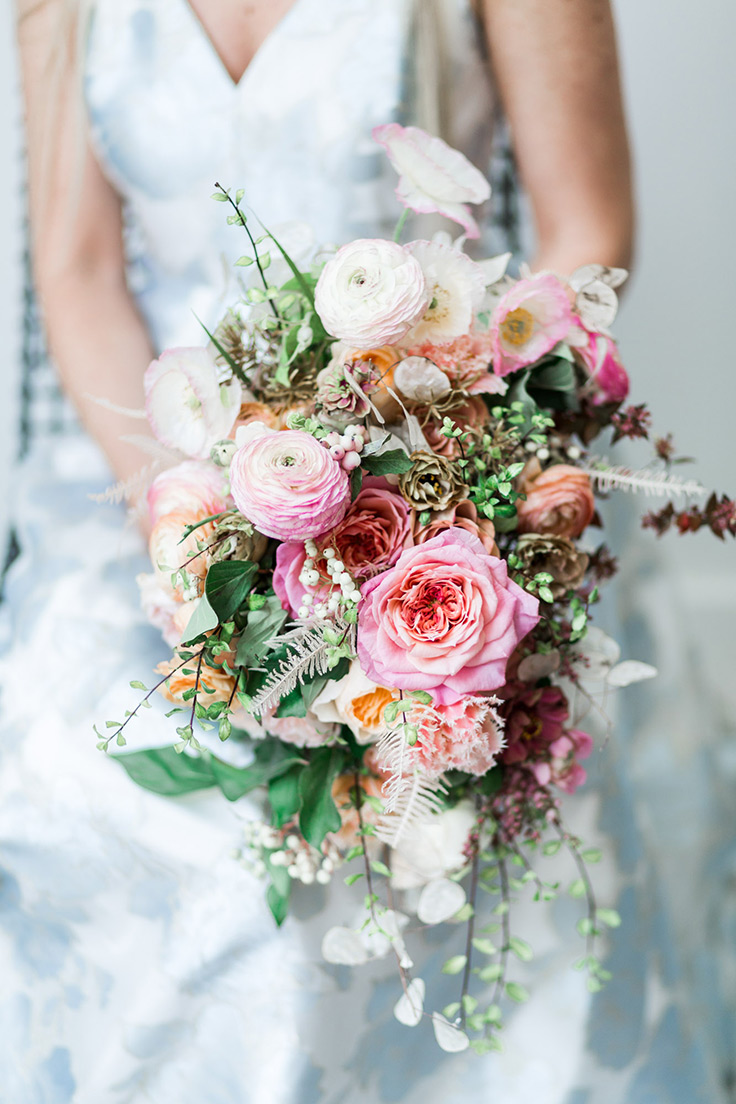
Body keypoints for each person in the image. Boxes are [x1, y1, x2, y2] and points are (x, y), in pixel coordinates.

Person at [0, 1, 725, 1101]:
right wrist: (188, 521)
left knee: (420, 808)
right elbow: (81, 268)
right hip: (158, 477)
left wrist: (434, 481)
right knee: (85, 784)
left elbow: (587, 236)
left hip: (430, 453)